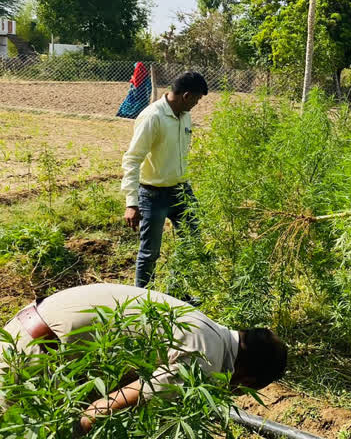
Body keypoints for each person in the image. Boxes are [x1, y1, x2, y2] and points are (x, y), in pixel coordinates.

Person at [0, 283, 287, 433]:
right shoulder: (205, 358)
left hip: (30, 329)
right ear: (245, 378)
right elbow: (102, 409)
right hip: (31, 355)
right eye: (238, 390)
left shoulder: (209, 330)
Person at [121, 72, 207, 289]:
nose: (196, 104)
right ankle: (142, 301)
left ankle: (177, 293)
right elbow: (132, 159)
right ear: (185, 96)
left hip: (181, 191)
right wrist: (132, 202)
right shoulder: (152, 117)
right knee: (149, 253)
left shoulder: (184, 115)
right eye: (196, 100)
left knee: (191, 241)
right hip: (153, 194)